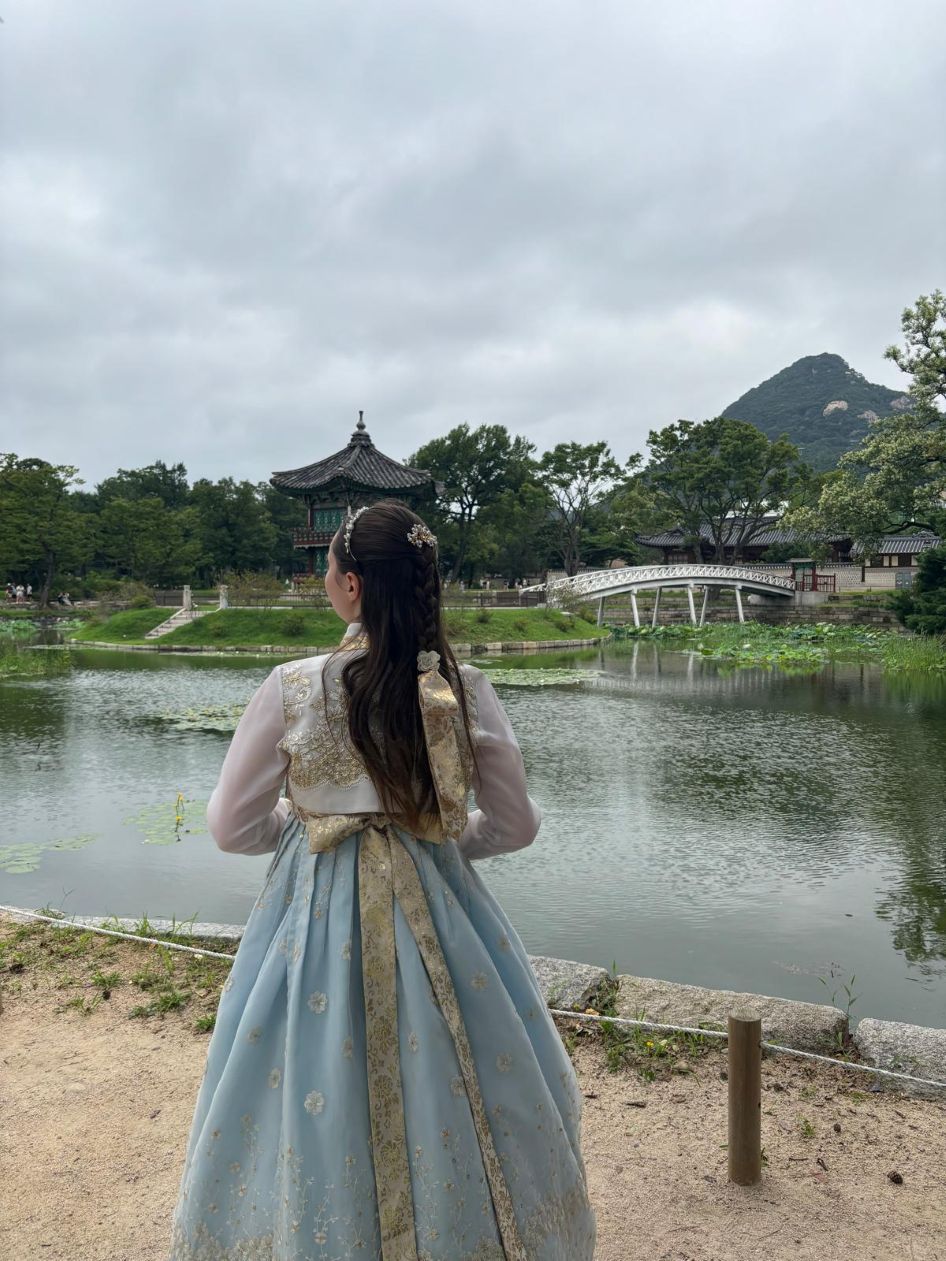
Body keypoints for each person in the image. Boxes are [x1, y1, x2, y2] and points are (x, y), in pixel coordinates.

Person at [168, 499, 595, 1260]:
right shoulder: (460, 688)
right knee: (464, 1080)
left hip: (315, 909)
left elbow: (231, 825)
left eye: (330, 567)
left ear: (354, 584)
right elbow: (516, 823)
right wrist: (445, 842)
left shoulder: (294, 686)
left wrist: (301, 828)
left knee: (307, 1084)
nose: (325, 578)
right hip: (438, 907)